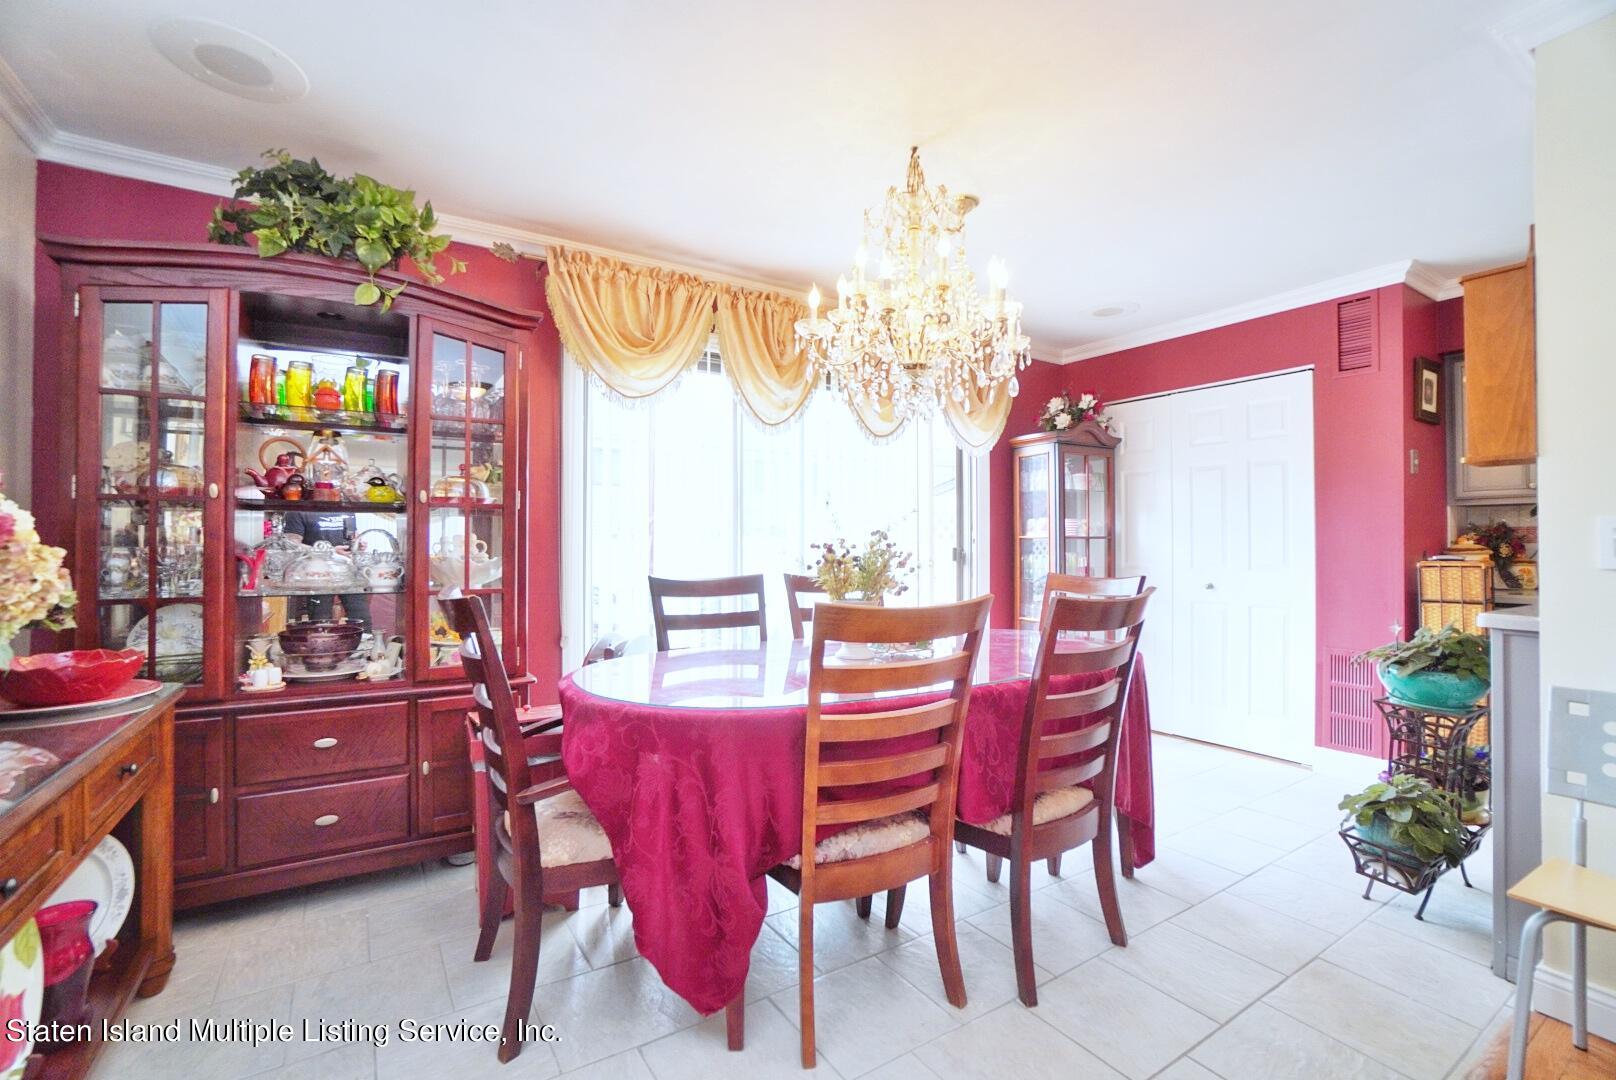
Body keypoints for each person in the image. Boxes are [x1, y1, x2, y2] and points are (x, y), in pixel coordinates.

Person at [282, 509, 371, 630]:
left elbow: (353, 536)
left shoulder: (345, 508)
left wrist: (358, 544)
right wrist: (329, 551)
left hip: (348, 570)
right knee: (320, 621)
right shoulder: (299, 510)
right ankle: (322, 646)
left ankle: (365, 646)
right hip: (318, 573)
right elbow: (290, 544)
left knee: (362, 618)